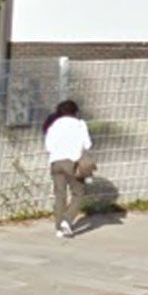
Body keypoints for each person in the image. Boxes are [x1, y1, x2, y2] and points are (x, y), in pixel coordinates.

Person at [42, 99, 93, 238]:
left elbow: (49, 147)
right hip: (73, 163)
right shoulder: (80, 125)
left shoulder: (54, 126)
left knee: (60, 194)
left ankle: (58, 228)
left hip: (56, 162)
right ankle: (68, 219)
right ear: (75, 112)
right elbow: (88, 145)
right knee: (78, 192)